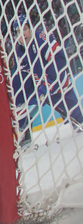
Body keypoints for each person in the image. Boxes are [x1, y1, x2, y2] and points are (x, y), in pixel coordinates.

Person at [9, 15, 82, 145]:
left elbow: (59, 60)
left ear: (30, 29)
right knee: (17, 89)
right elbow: (23, 75)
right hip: (39, 86)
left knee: (78, 121)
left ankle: (78, 122)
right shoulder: (18, 50)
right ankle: (25, 131)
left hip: (58, 84)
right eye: (19, 31)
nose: (22, 34)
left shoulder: (41, 37)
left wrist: (46, 84)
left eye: (25, 29)